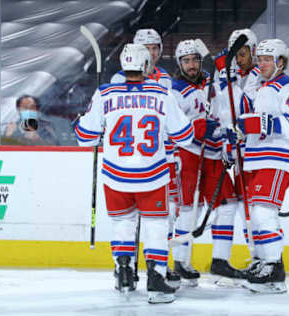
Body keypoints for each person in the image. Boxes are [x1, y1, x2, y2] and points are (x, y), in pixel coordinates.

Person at [75, 44, 211, 304]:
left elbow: (85, 137)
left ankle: (124, 273)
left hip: (116, 175)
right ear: (147, 66)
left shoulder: (105, 93)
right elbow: (185, 136)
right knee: (155, 225)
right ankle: (157, 280)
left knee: (123, 223)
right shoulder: (162, 93)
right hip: (152, 174)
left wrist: (82, 122)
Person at [110, 28, 182, 287]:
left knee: (166, 214)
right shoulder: (118, 81)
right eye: (146, 49)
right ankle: (132, 269)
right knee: (147, 219)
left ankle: (155, 266)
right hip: (147, 164)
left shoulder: (164, 79)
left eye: (155, 48)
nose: (152, 54)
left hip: (159, 158)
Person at [170, 39, 245, 286]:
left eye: (195, 60)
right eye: (186, 61)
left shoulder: (211, 84)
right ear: (179, 63)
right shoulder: (174, 90)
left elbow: (224, 111)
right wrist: (199, 127)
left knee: (227, 205)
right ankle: (181, 263)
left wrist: (227, 132)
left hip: (214, 155)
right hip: (189, 155)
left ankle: (220, 262)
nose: (191, 65)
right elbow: (171, 127)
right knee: (189, 210)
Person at [234, 39, 289, 294]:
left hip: (278, 158)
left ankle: (274, 268)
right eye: (260, 59)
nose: (262, 63)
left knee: (263, 213)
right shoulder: (264, 87)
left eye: (268, 59)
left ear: (280, 62)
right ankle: (268, 262)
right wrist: (241, 133)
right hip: (259, 157)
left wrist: (256, 124)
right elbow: (257, 126)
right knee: (257, 215)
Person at [214, 28, 264, 272]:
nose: (239, 59)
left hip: (253, 151)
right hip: (234, 150)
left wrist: (229, 80)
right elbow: (222, 109)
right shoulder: (227, 72)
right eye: (236, 55)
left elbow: (246, 106)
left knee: (255, 207)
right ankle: (256, 256)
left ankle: (260, 256)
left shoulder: (258, 75)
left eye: (243, 54)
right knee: (242, 205)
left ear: (253, 51)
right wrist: (225, 140)